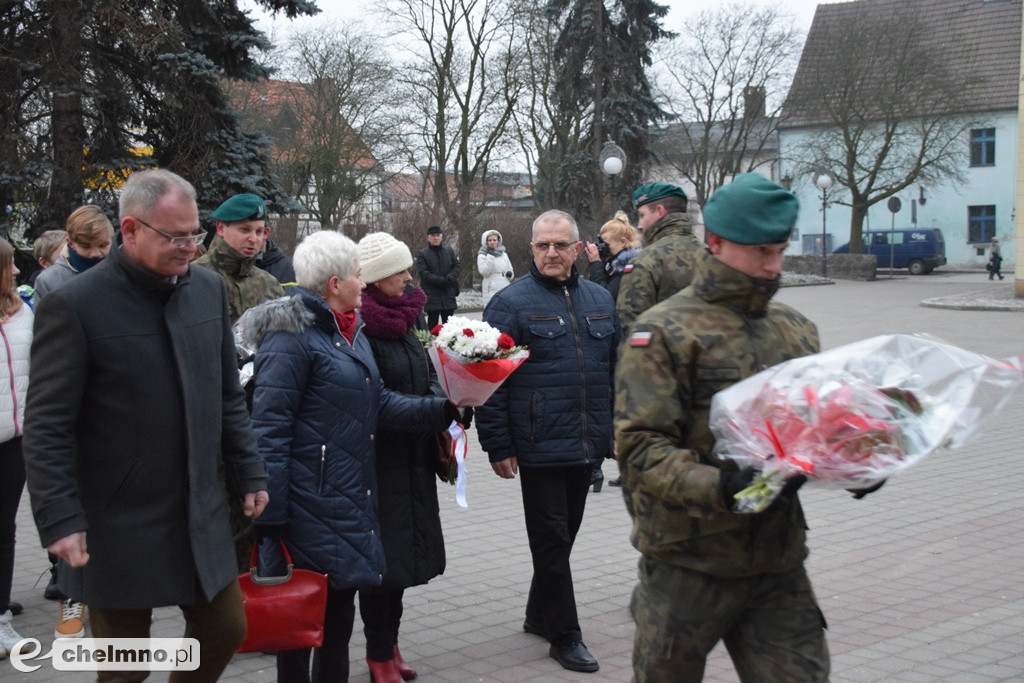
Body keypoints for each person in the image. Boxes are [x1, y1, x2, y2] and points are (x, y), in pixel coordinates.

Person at [23, 169, 269, 682]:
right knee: (125, 669)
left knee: (226, 628)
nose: (189, 247)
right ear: (130, 229)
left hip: (200, 510)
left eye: (195, 234)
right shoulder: (75, 306)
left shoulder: (205, 290)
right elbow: (47, 424)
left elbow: (227, 393)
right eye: (175, 236)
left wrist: (250, 472)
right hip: (116, 522)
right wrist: (59, 516)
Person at [615, 173, 834, 682]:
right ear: (715, 242)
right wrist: (721, 486)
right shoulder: (663, 332)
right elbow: (641, 448)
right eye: (760, 251)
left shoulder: (796, 329)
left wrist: (854, 459)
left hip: (777, 561)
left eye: (780, 249)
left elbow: (812, 428)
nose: (774, 265)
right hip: (688, 564)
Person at [241, 230, 462, 683]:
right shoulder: (291, 337)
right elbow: (269, 430)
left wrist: (443, 408)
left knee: (337, 626)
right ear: (334, 283)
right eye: (359, 276)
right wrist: (271, 520)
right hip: (306, 507)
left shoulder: (349, 330)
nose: (365, 284)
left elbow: (377, 401)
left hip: (347, 501)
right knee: (299, 631)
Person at [476, 210, 621, 674]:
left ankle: (540, 614)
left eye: (561, 244)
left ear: (578, 249)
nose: (551, 253)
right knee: (552, 540)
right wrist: (497, 445)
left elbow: (613, 373)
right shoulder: (509, 303)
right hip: (537, 444)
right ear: (532, 249)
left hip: (586, 442)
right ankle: (565, 635)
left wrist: (614, 432)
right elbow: (488, 382)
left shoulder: (600, 298)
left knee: (565, 536)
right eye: (543, 245)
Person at [356, 231, 462, 682]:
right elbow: (375, 402)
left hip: (412, 460)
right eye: (398, 270)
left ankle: (390, 644)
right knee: (383, 569)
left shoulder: (406, 320)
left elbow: (427, 374)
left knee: (400, 567)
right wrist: (436, 409)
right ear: (376, 279)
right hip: (379, 466)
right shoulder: (365, 329)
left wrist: (454, 399)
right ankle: (378, 654)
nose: (407, 277)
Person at [30, 205, 114, 639]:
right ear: (70, 243)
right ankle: (71, 597)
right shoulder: (51, 283)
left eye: (105, 247)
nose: (99, 255)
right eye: (89, 248)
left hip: (112, 410)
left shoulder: (118, 273)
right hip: (75, 409)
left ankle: (107, 595)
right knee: (74, 511)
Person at [0, 241, 32, 659]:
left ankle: (1, 616)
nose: (17, 273)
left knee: (4, 529)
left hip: (15, 440)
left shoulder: (23, 312)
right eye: (10, 266)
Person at [616, 182, 703, 332]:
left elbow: (632, 326)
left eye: (642, 215)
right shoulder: (712, 255)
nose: (640, 225)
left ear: (659, 211)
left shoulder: (646, 261)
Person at [194, 193, 287, 323]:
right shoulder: (195, 278)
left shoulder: (270, 284)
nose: (253, 239)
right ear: (220, 228)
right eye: (244, 230)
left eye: (258, 232)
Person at [33, 205, 114, 302]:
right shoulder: (48, 281)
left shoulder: (126, 272)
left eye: (103, 245)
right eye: (86, 247)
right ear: (70, 243)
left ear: (111, 239)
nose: (95, 254)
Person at [584, 211, 642, 302]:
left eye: (605, 244)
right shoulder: (613, 264)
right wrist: (600, 263)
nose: (602, 247)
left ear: (623, 242)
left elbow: (605, 296)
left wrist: (596, 264)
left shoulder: (626, 266)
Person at [415, 225, 460, 328]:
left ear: (441, 237)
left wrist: (450, 277)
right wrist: (440, 280)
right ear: (428, 237)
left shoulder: (449, 251)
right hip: (432, 295)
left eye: (438, 235)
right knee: (432, 325)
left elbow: (457, 266)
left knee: (449, 326)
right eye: (433, 235)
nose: (436, 238)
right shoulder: (423, 254)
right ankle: (431, 344)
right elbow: (423, 273)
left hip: (448, 293)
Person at [477, 229, 514, 307]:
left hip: (504, 284)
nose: (492, 242)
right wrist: (490, 256)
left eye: (494, 240)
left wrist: (510, 275)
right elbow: (484, 272)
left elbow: (510, 269)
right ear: (486, 242)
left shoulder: (504, 255)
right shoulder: (482, 255)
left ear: (498, 241)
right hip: (491, 286)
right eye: (490, 240)